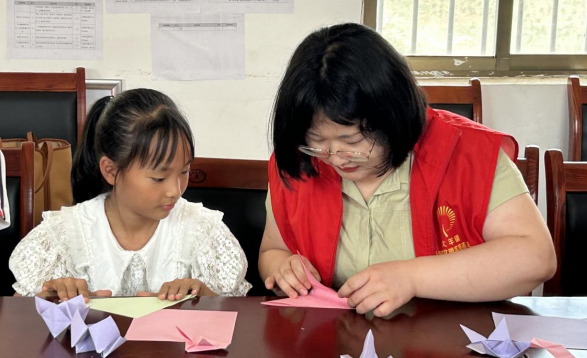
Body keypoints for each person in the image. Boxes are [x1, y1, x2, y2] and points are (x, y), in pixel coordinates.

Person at [258, 23, 556, 317]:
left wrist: (412, 277)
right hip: (334, 341)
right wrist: (284, 269)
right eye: (318, 142)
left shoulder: (467, 153)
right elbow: (272, 252)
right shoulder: (298, 163)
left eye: (353, 140)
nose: (335, 157)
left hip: (451, 341)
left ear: (393, 117)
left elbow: (535, 258)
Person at [10, 88, 251, 301]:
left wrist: (204, 296)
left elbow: (236, 313)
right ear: (111, 171)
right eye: (158, 178)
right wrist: (50, 298)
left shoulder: (202, 229)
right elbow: (19, 318)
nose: (175, 191)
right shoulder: (64, 234)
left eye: (185, 171)